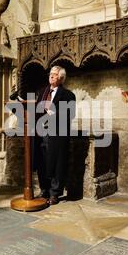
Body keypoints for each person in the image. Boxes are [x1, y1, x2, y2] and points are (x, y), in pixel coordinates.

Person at [34, 65, 76, 205]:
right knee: (42, 162)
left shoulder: (68, 95)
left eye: (55, 74)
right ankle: (44, 190)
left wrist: (55, 114)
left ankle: (54, 194)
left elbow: (71, 114)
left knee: (57, 163)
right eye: (50, 73)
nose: (51, 76)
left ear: (61, 78)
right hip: (41, 133)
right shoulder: (41, 92)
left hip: (57, 134)